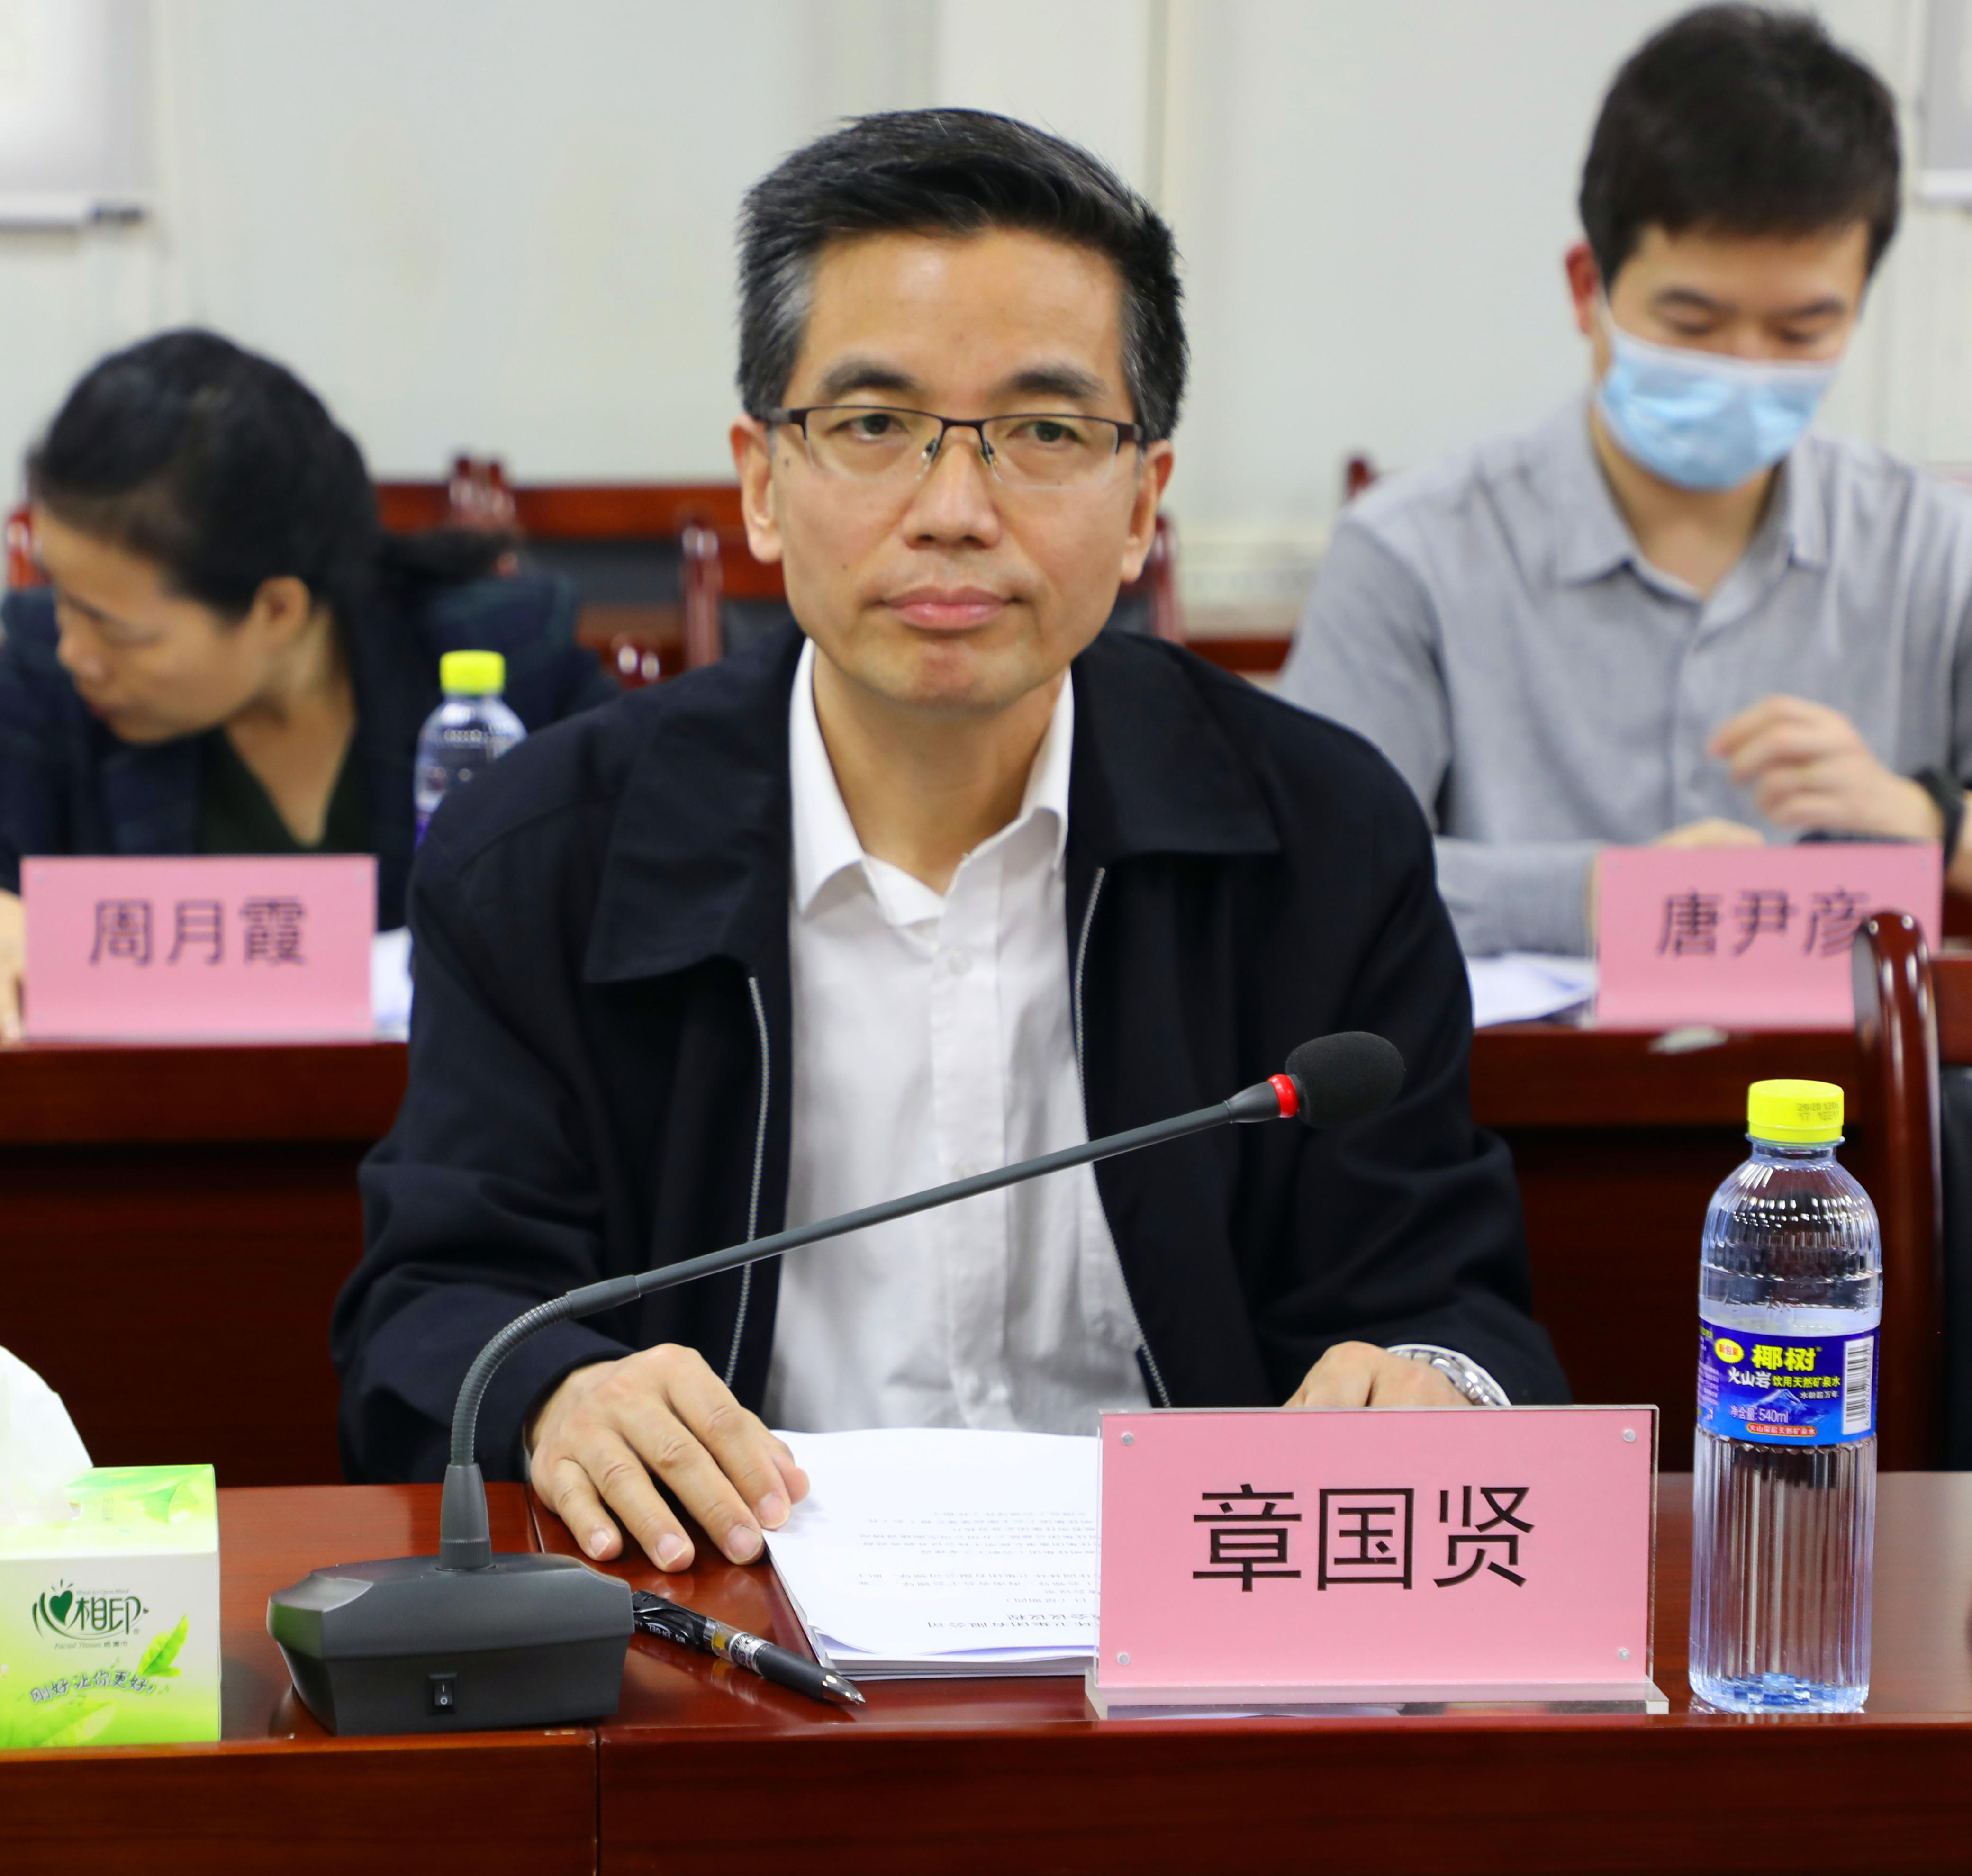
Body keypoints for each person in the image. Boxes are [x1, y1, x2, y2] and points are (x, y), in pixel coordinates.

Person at [334, 109, 1566, 1575]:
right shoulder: (544, 857)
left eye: (1045, 433)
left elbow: (1445, 1297)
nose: (956, 511)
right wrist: (557, 1392)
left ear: (1142, 505)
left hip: (1193, 1622)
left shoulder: (1322, 836)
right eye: (874, 426)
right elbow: (435, 1309)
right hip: (732, 1616)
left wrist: (1437, 1383)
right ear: (761, 483)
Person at [1279, 4, 1972, 958]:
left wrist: (1929, 819)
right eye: (1691, 324)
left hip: (1848, 1058)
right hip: (1519, 1058)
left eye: (1800, 331)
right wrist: (1589, 898)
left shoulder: (1934, 548)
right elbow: (1313, 876)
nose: (1743, 367)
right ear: (1586, 290)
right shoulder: (1410, 553)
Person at [0, 329, 617, 1034]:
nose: (76, 651)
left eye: (118, 631)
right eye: (62, 598)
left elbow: (637, 882)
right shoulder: (42, 681)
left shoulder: (508, 666)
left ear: (277, 610)